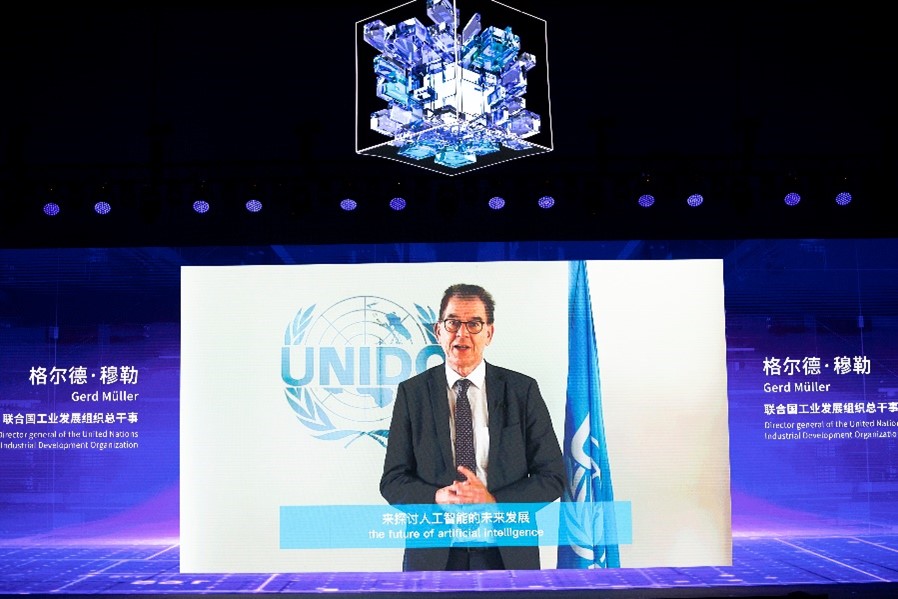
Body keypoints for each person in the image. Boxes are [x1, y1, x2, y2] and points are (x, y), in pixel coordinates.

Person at [380, 283, 565, 571]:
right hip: (434, 556)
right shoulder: (412, 393)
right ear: (438, 331)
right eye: (453, 323)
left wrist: (494, 502)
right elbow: (392, 480)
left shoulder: (522, 390)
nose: (462, 334)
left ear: (489, 333)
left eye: (474, 324)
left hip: (507, 555)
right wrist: (435, 498)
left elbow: (552, 477)